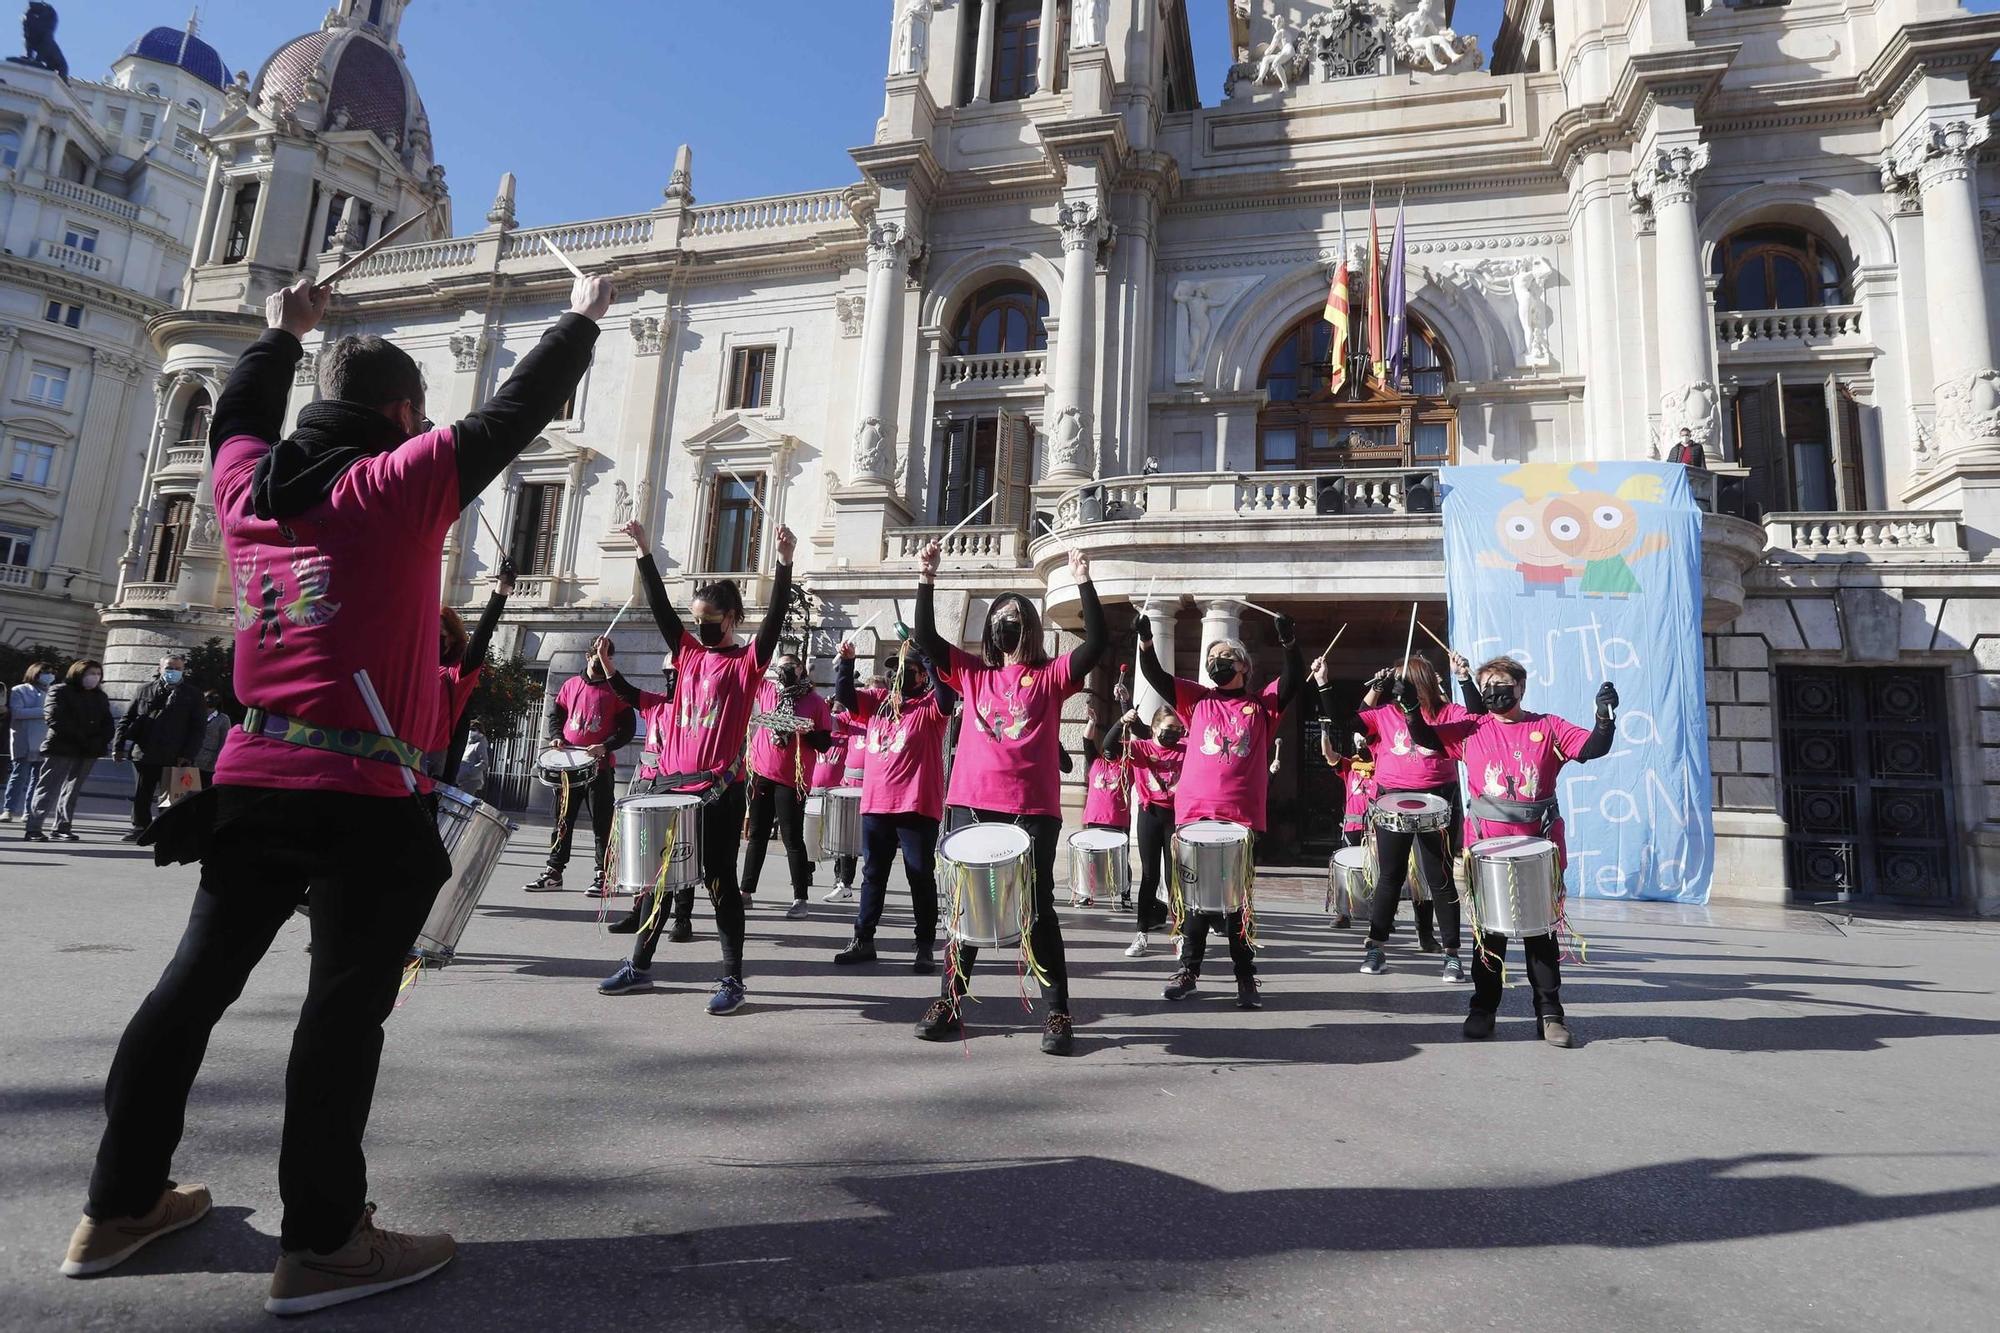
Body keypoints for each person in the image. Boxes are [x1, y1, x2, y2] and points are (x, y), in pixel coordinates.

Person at [60, 272, 612, 1313]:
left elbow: (237, 419)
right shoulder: (394, 485)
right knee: (339, 1017)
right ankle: (321, 1241)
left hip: (251, 779)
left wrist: (277, 332)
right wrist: (582, 314)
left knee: (190, 988)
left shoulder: (241, 488)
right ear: (403, 415)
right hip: (360, 788)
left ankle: (119, 1202)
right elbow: (513, 415)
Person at [910, 540, 1107, 1056]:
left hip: (1031, 812)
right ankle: (949, 1002)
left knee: (1037, 910)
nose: (1005, 623)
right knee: (965, 909)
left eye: (1014, 617)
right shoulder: (972, 674)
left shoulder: (1050, 677)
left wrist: (1083, 579)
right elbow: (926, 638)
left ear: (1030, 628)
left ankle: (1059, 1013)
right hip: (971, 805)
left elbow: (1097, 644)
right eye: (998, 617)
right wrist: (927, 578)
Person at [596, 515, 795, 1015]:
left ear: (730, 619)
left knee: (718, 880)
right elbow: (662, 607)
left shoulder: (746, 662)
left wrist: (784, 564)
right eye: (696, 619)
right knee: (658, 879)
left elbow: (772, 624)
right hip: (671, 784)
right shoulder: (685, 653)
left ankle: (732, 979)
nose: (700, 626)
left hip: (720, 790)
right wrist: (644, 549)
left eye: (709, 619)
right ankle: (639, 964)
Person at [1405, 658, 1617, 1048]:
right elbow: (1427, 738)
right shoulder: (1471, 728)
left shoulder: (1547, 726)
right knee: (1489, 936)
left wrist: (1604, 720)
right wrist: (1409, 710)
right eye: (1486, 686)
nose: (1493, 692)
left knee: (1540, 937)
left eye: (1501, 684)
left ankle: (1550, 1014)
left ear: (1520, 687)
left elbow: (1591, 748)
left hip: (1539, 847)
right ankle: (1483, 1010)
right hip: (1486, 849)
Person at [1137, 613, 1303, 1009]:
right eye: (1213, 656)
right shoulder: (1197, 701)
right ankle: (1188, 970)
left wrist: (1289, 644)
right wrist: (1145, 643)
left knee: (1236, 903)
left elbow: (1294, 679)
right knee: (1194, 900)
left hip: (1240, 822)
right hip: (1195, 818)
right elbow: (1157, 676)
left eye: (1226, 655)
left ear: (1244, 665)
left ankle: (1245, 978)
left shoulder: (1262, 706)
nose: (1217, 661)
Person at [1339, 652, 1484, 981]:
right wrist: (1372, 688)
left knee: (1440, 877)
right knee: (1390, 875)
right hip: (1393, 797)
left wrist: (1464, 678)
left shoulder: (1447, 712)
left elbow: (1479, 719)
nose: (1399, 688)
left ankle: (1451, 954)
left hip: (1437, 796)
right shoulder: (1387, 713)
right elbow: (1351, 721)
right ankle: (1375, 947)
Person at [831, 638, 959, 970]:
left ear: (921, 676)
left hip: (915, 805)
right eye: (893, 671)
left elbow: (948, 697)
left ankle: (925, 945)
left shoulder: (930, 707)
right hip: (877, 805)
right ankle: (863, 939)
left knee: (920, 876)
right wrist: (847, 663)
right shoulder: (878, 702)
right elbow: (846, 698)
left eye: (906, 670)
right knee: (872, 874)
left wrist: (929, 660)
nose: (897, 676)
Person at [525, 631, 633, 894]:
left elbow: (627, 729)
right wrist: (557, 737)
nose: (601, 659)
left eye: (607, 655)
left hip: (600, 768)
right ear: (588, 656)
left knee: (602, 823)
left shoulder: (617, 690)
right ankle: (554, 872)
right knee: (562, 820)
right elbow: (555, 716)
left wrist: (605, 746)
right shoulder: (571, 685)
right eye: (598, 654)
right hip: (568, 769)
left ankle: (603, 874)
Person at [740, 652, 834, 919]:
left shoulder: (814, 702)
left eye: (789, 667)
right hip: (761, 771)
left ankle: (800, 897)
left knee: (792, 838)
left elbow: (825, 743)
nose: (784, 672)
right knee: (757, 833)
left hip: (793, 778)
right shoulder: (770, 692)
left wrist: (809, 734)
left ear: (801, 669)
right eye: (780, 668)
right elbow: (751, 671)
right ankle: (746, 891)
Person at [437, 559, 517, 798]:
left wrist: (501, 590)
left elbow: (481, 636)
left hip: (430, 765)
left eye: (438, 629)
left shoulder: (455, 676)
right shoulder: (410, 666)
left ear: (450, 638)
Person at [1114, 704, 1184, 957]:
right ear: (1154, 729)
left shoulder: (1186, 749)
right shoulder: (1141, 748)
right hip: (1149, 814)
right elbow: (1109, 748)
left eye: (1178, 728)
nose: (1174, 733)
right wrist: (1123, 719)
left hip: (1177, 817)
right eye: (1168, 728)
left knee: (1174, 878)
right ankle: (1141, 933)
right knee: (1149, 876)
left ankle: (1179, 933)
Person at [113, 654, 205, 842]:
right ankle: (140, 828)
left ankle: (167, 831)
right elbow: (127, 719)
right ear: (160, 668)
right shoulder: (144, 690)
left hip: (176, 754)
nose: (174, 672)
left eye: (178, 669)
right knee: (142, 794)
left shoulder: (193, 694)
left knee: (174, 797)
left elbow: (198, 728)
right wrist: (119, 746)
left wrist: (188, 753)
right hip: (144, 752)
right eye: (169, 668)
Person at [25, 659, 114, 842]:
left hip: (89, 749)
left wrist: (99, 740)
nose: (94, 678)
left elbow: (107, 722)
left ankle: (62, 827)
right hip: (61, 746)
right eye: (90, 673)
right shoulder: (60, 691)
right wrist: (81, 737)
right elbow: (54, 718)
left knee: (72, 790)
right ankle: (34, 828)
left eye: (98, 674)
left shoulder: (100, 696)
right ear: (79, 673)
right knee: (48, 787)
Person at [1074, 708, 1130, 909]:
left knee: (1121, 859)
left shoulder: (1126, 764)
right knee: (1090, 858)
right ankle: (1087, 894)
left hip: (1117, 820)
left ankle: (1125, 895)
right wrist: (1092, 722)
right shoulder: (1095, 760)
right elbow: (1086, 741)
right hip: (1094, 819)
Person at [813, 703, 866, 902]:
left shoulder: (883, 719)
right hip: (850, 787)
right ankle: (844, 884)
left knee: (873, 844)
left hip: (874, 789)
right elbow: (830, 721)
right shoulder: (851, 717)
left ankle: (871, 887)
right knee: (847, 841)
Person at [4, 660, 55, 821]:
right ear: (35, 673)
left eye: (52, 672)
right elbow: (18, 713)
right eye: (46, 672)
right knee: (18, 775)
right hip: (24, 738)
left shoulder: (52, 691)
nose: (50, 676)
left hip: (44, 740)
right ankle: (9, 810)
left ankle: (29, 811)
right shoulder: (20, 690)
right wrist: (46, 711)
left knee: (38, 779)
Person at [191, 691, 231, 791]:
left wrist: (217, 760)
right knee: (188, 792)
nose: (209, 700)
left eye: (213, 698)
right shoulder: (195, 715)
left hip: (209, 763)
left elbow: (224, 742)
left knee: (204, 792)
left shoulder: (223, 719)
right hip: (191, 760)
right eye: (207, 697)